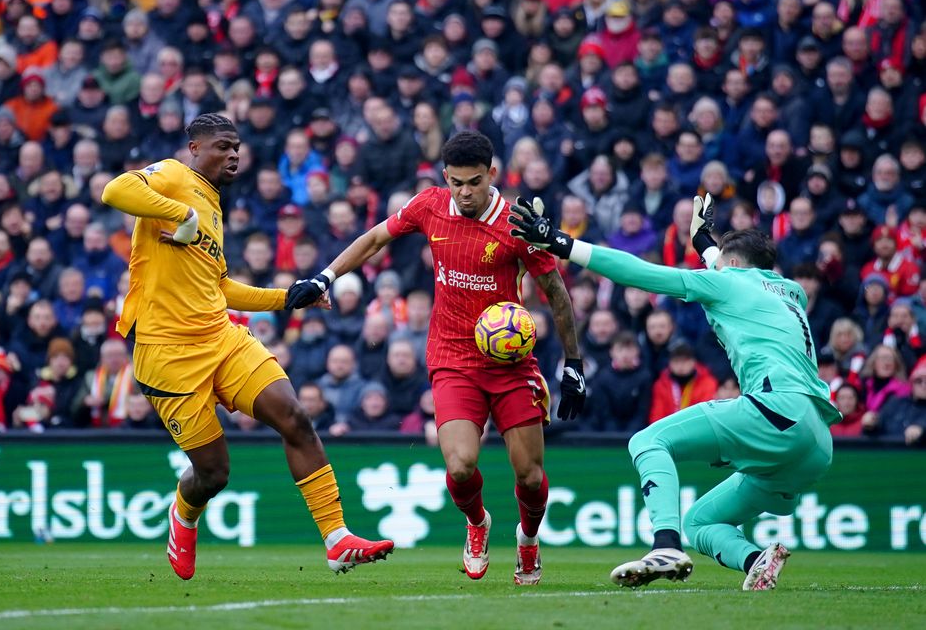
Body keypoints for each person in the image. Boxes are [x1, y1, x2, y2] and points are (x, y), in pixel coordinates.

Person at [100, 113, 392, 581]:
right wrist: (181, 214)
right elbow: (113, 192)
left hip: (221, 337)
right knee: (214, 473)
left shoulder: (213, 206)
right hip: (167, 354)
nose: (233, 154)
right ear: (195, 148)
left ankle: (337, 541)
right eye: (222, 146)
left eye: (237, 147)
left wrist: (288, 298)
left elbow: (218, 287)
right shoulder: (174, 177)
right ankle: (184, 514)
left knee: (294, 415)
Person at [286, 130, 585, 586]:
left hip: (510, 366)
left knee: (528, 476)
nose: (464, 192)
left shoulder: (518, 225)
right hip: (452, 358)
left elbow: (557, 293)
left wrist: (574, 364)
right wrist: (325, 278)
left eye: (474, 182)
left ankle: (527, 539)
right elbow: (372, 240)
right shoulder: (429, 204)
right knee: (460, 466)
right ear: (445, 177)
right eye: (456, 182)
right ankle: (478, 523)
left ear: (493, 175)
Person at [509, 192, 840, 591]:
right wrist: (704, 245)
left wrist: (563, 243)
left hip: (776, 410)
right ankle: (757, 561)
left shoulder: (729, 283)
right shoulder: (790, 292)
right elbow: (727, 264)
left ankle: (665, 545)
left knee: (649, 441)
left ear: (733, 266)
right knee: (701, 522)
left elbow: (642, 273)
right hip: (817, 442)